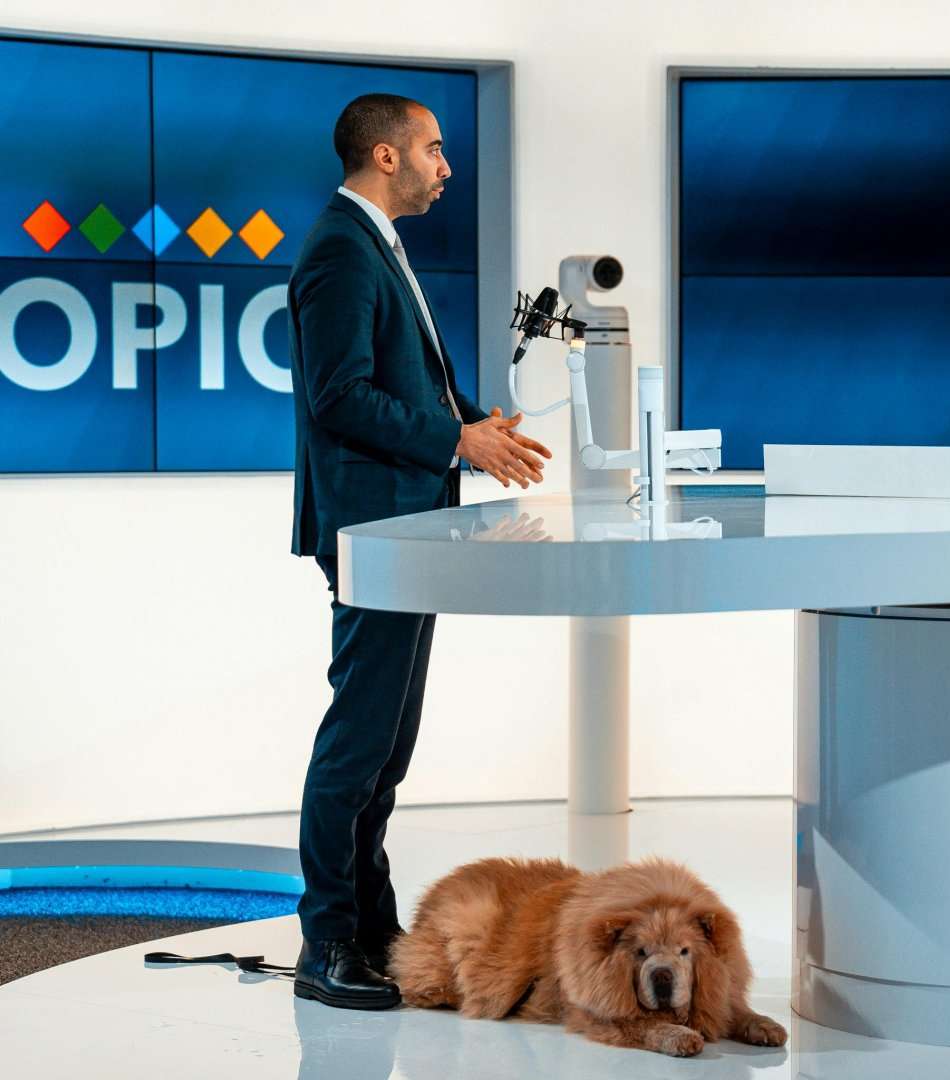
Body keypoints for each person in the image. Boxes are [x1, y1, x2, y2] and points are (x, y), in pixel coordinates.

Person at [287, 93, 551, 1009]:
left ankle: (370, 929)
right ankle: (326, 943)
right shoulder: (339, 248)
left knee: (385, 752)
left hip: (409, 527)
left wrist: (473, 422)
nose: (447, 166)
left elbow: (412, 379)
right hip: (374, 529)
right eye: (434, 150)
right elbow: (340, 397)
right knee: (357, 746)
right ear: (386, 156)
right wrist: (455, 441)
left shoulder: (376, 245)